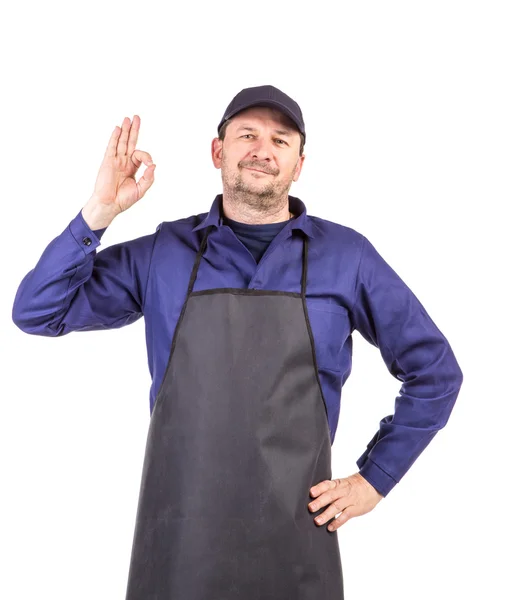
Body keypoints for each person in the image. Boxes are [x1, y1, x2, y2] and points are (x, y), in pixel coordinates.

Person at [12, 84, 464, 599]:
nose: (262, 150)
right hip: (179, 546)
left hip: (298, 548)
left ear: (299, 164)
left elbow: (436, 372)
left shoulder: (348, 257)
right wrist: (99, 211)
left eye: (281, 139)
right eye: (247, 134)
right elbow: (38, 311)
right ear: (217, 151)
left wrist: (375, 478)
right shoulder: (164, 252)